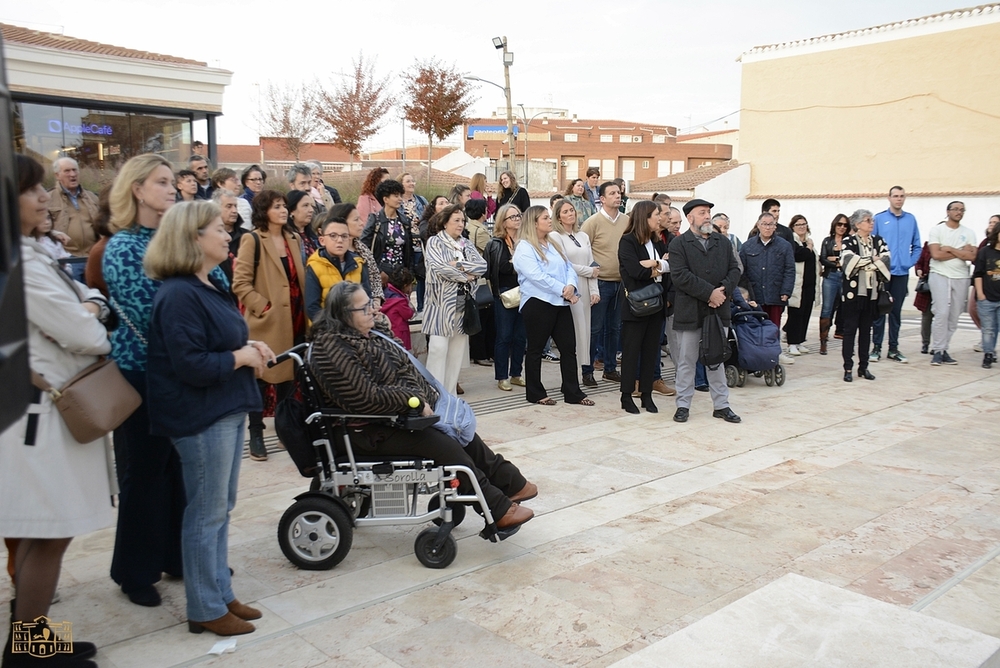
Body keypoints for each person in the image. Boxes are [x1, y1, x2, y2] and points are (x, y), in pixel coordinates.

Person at [1, 155, 116, 667]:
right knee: (49, 532)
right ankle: (28, 654)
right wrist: (90, 311)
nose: (45, 196)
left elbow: (85, 297)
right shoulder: (21, 266)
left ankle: (29, 641)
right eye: (32, 190)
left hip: (37, 415)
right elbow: (88, 332)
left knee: (40, 531)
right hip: (41, 421)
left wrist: (86, 305)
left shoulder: (31, 254)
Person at [309, 282, 535, 530]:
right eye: (364, 308)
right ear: (343, 315)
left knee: (459, 432)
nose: (373, 311)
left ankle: (510, 482)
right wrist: (410, 400)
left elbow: (405, 367)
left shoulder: (371, 334)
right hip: (362, 430)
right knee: (444, 445)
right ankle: (496, 508)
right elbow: (364, 396)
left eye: (372, 304)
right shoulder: (330, 347)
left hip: (389, 417)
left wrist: (419, 398)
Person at [145, 200, 273, 637]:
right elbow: (192, 365)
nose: (226, 234)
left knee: (220, 508)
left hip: (223, 407)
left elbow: (222, 341)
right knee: (206, 513)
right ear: (193, 238)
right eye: (217, 228)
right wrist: (240, 355)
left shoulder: (206, 284)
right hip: (200, 416)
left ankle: (220, 591)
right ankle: (204, 606)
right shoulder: (179, 293)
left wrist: (251, 349)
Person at [102, 154, 186, 607]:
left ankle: (176, 555)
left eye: (173, 182)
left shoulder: (176, 238)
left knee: (178, 471)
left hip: (181, 375)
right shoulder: (123, 248)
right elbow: (151, 314)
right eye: (162, 182)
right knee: (144, 472)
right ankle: (134, 571)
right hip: (140, 375)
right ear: (137, 188)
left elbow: (213, 281)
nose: (172, 189)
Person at [232, 190, 306, 461]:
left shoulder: (293, 238)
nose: (284, 210)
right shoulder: (252, 239)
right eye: (277, 206)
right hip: (268, 322)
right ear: (264, 211)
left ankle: (285, 430)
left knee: (289, 378)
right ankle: (256, 434)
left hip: (295, 318)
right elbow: (240, 283)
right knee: (260, 380)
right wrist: (263, 307)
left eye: (284, 205)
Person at [669, 198, 741, 424]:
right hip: (690, 311)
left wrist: (724, 290)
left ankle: (721, 405)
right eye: (702, 213)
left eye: (709, 212)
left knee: (716, 359)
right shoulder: (679, 245)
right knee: (686, 360)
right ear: (690, 218)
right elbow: (680, 276)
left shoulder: (723, 242)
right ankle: (683, 405)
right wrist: (710, 293)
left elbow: (735, 269)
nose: (708, 216)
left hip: (718, 311)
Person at [513, 206, 593, 407]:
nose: (550, 221)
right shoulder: (524, 247)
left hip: (560, 302)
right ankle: (535, 393)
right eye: (545, 218)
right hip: (538, 302)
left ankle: (572, 391)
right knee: (536, 349)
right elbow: (536, 276)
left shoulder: (552, 242)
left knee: (568, 348)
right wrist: (562, 289)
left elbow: (568, 266)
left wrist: (571, 286)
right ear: (534, 222)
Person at [422, 205, 487, 394]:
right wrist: (465, 275)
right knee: (438, 350)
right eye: (456, 220)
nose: (461, 224)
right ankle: (434, 394)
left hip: (464, 305)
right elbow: (439, 267)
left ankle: (449, 395)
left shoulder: (466, 243)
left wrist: (459, 264)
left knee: (456, 354)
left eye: (463, 221)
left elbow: (481, 266)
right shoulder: (435, 242)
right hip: (440, 305)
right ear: (444, 222)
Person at [617, 201, 667, 414]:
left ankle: (647, 395)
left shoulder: (657, 241)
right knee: (631, 352)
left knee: (651, 351)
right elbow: (635, 272)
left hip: (656, 304)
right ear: (644, 217)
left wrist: (652, 264)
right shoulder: (627, 242)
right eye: (656, 214)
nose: (659, 218)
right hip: (635, 305)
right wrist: (658, 266)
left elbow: (669, 265)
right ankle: (626, 395)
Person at [549, 198, 600, 389]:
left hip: (586, 289)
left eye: (572, 210)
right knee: (573, 334)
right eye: (565, 212)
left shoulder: (583, 236)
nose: (570, 214)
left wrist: (595, 289)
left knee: (586, 332)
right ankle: (571, 379)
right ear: (558, 217)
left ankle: (584, 372)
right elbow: (564, 264)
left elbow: (592, 263)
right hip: (571, 288)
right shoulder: (555, 236)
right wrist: (589, 272)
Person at [581, 181, 627, 385]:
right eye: (612, 193)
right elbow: (582, 252)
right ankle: (587, 370)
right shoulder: (592, 222)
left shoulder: (627, 220)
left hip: (621, 283)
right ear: (602, 198)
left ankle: (610, 368)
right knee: (595, 329)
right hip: (599, 283)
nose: (618, 196)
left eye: (619, 192)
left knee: (615, 329)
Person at [871, 186, 922, 364]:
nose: (898, 199)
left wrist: (909, 262)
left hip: (901, 273)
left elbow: (917, 245)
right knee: (879, 310)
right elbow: (872, 244)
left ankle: (893, 348)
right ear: (889, 198)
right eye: (895, 196)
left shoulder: (911, 219)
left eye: (901, 196)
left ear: (904, 198)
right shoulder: (879, 219)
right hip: (883, 273)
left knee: (895, 312)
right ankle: (876, 347)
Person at [840, 209, 890, 381]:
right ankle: (848, 368)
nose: (871, 223)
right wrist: (872, 260)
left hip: (872, 295)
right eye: (868, 220)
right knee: (849, 331)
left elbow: (886, 260)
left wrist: (864, 262)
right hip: (853, 295)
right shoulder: (849, 241)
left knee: (865, 332)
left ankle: (864, 367)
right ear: (858, 224)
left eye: (872, 220)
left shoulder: (878, 240)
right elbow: (848, 262)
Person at [740, 212, 796, 362]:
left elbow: (790, 269)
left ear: (775, 227)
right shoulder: (747, 246)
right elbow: (742, 272)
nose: (767, 227)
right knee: (755, 327)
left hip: (775, 293)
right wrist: (745, 294)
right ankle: (757, 355)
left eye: (770, 224)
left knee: (773, 326)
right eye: (764, 224)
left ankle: (774, 354)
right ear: (758, 225)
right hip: (754, 295)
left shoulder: (784, 246)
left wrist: (786, 291)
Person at [928, 201, 977, 365]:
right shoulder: (937, 230)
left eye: (962, 210)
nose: (959, 212)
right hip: (940, 274)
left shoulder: (968, 232)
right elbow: (936, 254)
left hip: (961, 276)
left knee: (954, 315)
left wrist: (950, 249)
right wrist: (962, 252)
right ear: (948, 211)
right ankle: (937, 349)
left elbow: (972, 257)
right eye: (955, 209)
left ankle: (944, 348)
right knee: (941, 312)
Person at [485, 204, 528, 391]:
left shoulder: (526, 240)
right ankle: (502, 376)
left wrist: (514, 262)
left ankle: (516, 373)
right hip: (504, 293)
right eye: (512, 217)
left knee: (521, 336)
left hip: (525, 291)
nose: (517, 218)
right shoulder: (497, 243)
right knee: (504, 336)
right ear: (503, 221)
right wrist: (517, 264)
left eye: (518, 215)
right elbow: (502, 267)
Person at [305, 216, 369, 322]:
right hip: (327, 330)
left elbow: (367, 297)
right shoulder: (315, 266)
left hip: (355, 328)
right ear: (322, 240)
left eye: (344, 236)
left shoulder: (358, 264)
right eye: (333, 236)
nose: (339, 240)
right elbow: (312, 308)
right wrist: (332, 328)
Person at [361, 179, 412, 286]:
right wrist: (378, 271)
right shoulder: (375, 219)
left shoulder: (404, 220)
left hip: (400, 272)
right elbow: (364, 247)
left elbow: (408, 250)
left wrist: (409, 277)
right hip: (381, 271)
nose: (399, 199)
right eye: (396, 196)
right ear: (385, 199)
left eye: (400, 196)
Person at [334, 202, 385, 307]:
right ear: (342, 222)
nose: (362, 223)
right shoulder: (334, 252)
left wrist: (376, 301)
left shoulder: (362, 248)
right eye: (356, 220)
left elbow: (375, 276)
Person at [47, 156, 100, 256]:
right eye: (67, 171)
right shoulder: (48, 199)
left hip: (93, 255)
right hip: (66, 258)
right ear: (57, 175)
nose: (72, 174)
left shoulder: (92, 197)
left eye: (74, 170)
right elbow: (41, 229)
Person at [785, 215, 820, 355]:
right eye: (798, 224)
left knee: (806, 313)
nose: (802, 226)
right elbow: (799, 255)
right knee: (796, 314)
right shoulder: (793, 241)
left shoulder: (808, 241)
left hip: (810, 284)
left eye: (804, 224)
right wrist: (809, 248)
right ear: (793, 227)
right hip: (797, 285)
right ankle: (792, 342)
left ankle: (800, 341)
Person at [465, 198, 495, 366]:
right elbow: (488, 252)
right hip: (482, 279)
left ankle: (480, 353)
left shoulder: (469, 227)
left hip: (473, 278)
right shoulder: (480, 231)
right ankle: (481, 354)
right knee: (484, 318)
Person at [819, 214, 850, 354]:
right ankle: (823, 342)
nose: (842, 227)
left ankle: (846, 338)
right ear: (834, 225)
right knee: (827, 308)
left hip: (846, 277)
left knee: (847, 307)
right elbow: (823, 259)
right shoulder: (828, 241)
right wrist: (838, 262)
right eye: (839, 224)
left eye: (844, 225)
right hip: (830, 276)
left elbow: (851, 260)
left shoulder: (850, 241)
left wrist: (836, 260)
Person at [973, 222, 1000, 369]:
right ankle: (988, 354)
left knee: (996, 327)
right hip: (987, 297)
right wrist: (980, 294)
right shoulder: (985, 251)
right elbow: (978, 274)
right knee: (988, 328)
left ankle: (992, 351)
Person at [213, 188, 248, 290]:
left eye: (235, 206)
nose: (234, 210)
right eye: (229, 206)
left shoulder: (247, 236)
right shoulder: (209, 239)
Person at [382, 266, 416, 350]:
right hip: (400, 334)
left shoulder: (387, 292)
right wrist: (408, 300)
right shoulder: (400, 301)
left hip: (389, 332)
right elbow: (409, 314)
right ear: (405, 285)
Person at [285, 189, 319, 260]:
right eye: (305, 205)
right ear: (292, 211)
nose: (311, 210)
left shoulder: (314, 236)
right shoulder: (286, 238)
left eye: (311, 206)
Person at [914, 240, 934, 354]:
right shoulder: (928, 245)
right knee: (927, 316)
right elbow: (919, 261)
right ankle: (925, 343)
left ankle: (938, 345)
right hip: (927, 285)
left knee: (942, 317)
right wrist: (919, 270)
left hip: (943, 285)